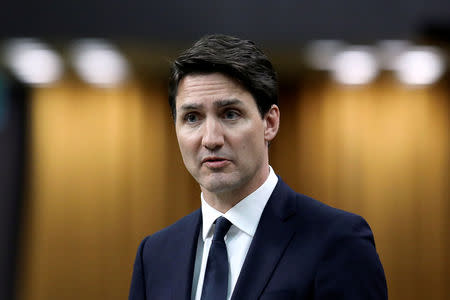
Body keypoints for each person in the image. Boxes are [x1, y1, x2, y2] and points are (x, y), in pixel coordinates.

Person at [129, 34, 388, 300]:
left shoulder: (338, 241)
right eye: (192, 118)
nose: (210, 139)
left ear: (270, 122)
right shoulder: (155, 255)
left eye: (230, 114)